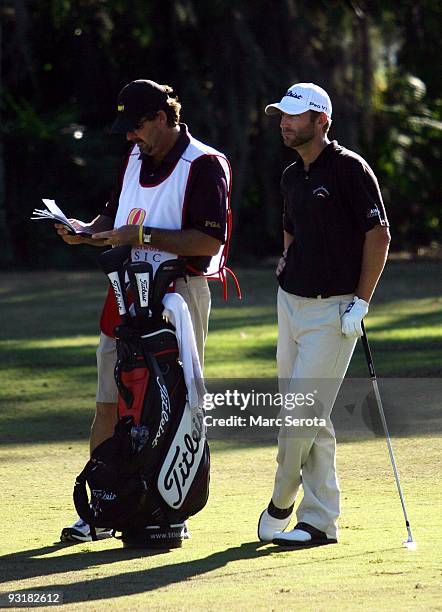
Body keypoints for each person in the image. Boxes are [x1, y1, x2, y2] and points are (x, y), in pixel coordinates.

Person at [56, 79, 231, 542]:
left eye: (136, 127)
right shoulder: (134, 157)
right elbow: (115, 219)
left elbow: (209, 240)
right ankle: (104, 503)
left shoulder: (205, 163)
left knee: (172, 402)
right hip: (124, 295)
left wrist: (143, 237)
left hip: (179, 295)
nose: (130, 138)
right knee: (108, 403)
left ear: (162, 117)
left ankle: (163, 501)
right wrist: (84, 231)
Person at [257, 82, 390, 548]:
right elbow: (292, 229)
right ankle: (319, 522)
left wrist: (362, 300)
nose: (284, 123)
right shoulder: (292, 175)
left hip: (335, 310)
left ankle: (280, 501)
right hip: (290, 304)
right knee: (311, 418)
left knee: (300, 415)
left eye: (294, 116)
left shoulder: (350, 170)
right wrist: (286, 260)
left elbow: (379, 236)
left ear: (322, 121)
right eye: (281, 115)